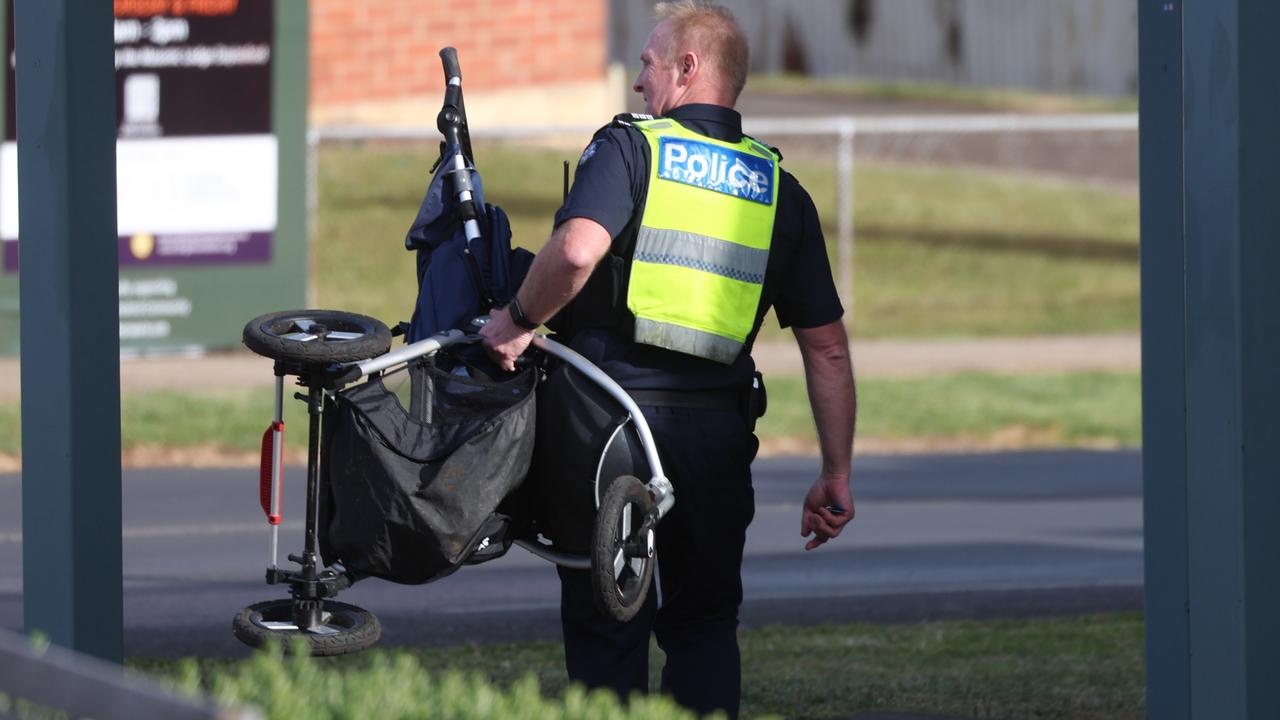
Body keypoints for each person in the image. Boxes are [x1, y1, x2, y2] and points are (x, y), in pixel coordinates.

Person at [480, 1, 856, 716]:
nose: (637, 83)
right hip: (715, 441)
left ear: (688, 69)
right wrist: (835, 473)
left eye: (647, 65)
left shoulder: (632, 148)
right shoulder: (784, 191)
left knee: (607, 628)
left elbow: (578, 249)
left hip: (608, 432)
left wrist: (516, 319)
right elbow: (828, 349)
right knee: (706, 627)